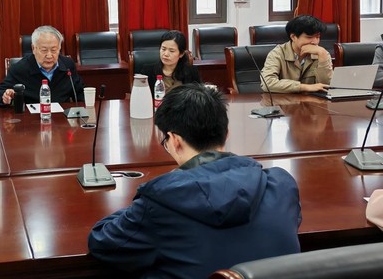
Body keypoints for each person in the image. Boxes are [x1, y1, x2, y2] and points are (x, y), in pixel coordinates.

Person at [88, 84, 301, 278]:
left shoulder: (161, 202)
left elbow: (102, 242)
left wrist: (147, 200)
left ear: (175, 141)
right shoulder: (281, 185)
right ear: (227, 134)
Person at [0, 25, 84, 106]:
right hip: (31, 119)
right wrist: (4, 96)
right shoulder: (20, 69)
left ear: (59, 48)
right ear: (33, 48)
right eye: (44, 50)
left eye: (54, 50)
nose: (49, 55)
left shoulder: (67, 65)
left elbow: (80, 92)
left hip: (62, 118)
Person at [261, 15, 333, 94]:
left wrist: (323, 56)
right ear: (293, 37)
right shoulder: (277, 53)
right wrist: (303, 87)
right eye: (309, 37)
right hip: (284, 100)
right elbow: (267, 83)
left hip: (312, 101)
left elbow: (327, 87)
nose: (315, 42)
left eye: (317, 37)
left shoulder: (322, 53)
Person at [140, 30, 201, 95]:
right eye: (163, 49)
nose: (166, 54)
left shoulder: (191, 72)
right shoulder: (147, 72)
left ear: (181, 54)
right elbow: (141, 95)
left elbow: (199, 95)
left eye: (171, 51)